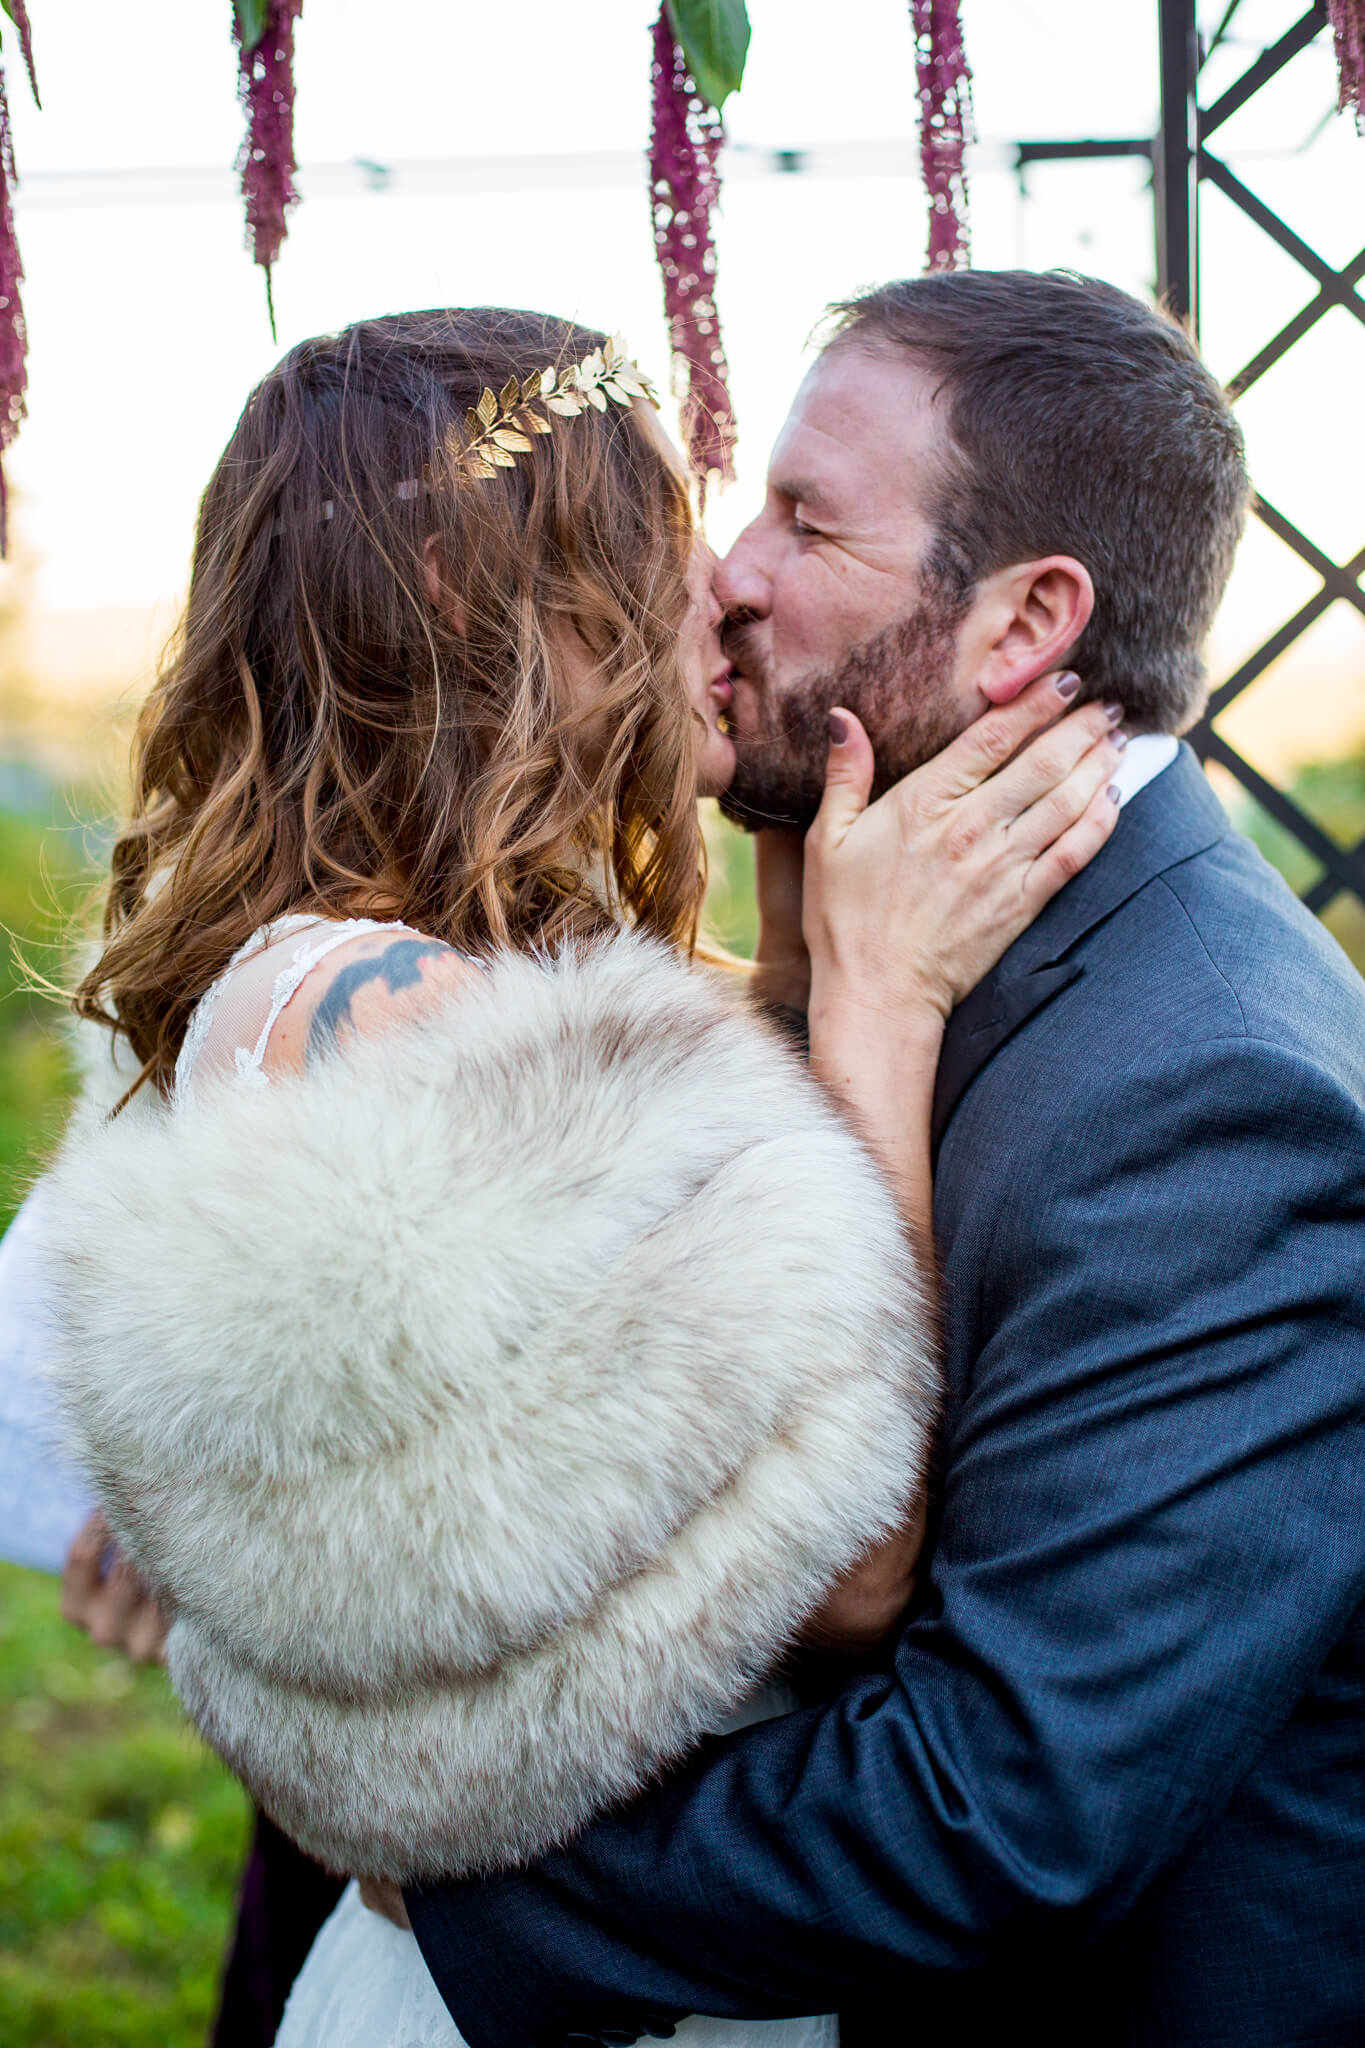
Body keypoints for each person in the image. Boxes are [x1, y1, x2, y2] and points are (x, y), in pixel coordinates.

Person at [34, 302, 1121, 2048]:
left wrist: (770, 977)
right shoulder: (404, 1019)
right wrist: (878, 1013)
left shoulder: (352, 974)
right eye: (656, 532)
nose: (720, 588)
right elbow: (842, 1562)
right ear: (492, 605)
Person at [393, 273, 1365, 2048]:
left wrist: (463, 1877)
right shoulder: (895, 945)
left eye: (805, 520)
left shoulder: (1211, 1096)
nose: (725, 574)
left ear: (1019, 629)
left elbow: (996, 1808)